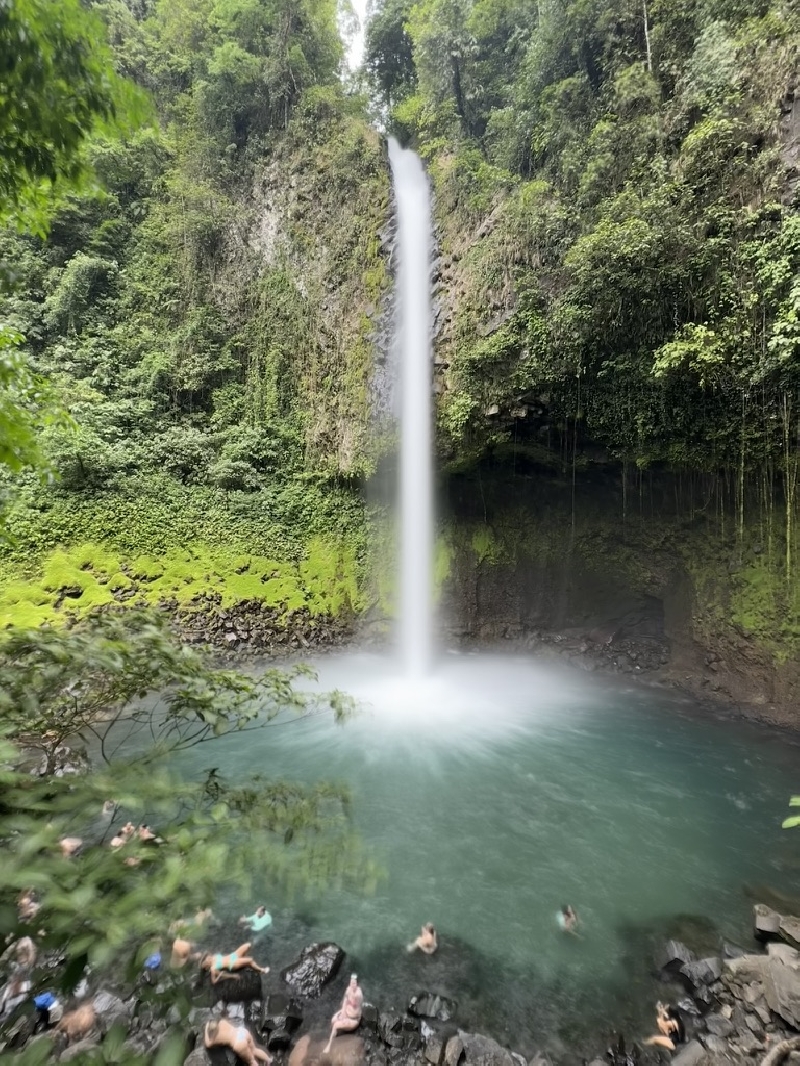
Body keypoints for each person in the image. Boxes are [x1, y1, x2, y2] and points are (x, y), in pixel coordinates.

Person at [324, 974, 363, 1053]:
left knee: (335, 1025)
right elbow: (345, 1002)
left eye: (354, 983)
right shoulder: (348, 990)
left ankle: (329, 1046)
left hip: (353, 1019)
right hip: (346, 1014)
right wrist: (341, 1012)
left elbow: (356, 1011)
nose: (352, 985)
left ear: (357, 985)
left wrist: (346, 1019)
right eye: (351, 983)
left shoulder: (358, 995)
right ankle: (335, 1035)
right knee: (333, 1020)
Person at [204, 1019, 271, 1066]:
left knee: (251, 1061)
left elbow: (207, 1044)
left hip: (239, 1042)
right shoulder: (222, 1022)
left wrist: (206, 1028)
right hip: (242, 1032)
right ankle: (269, 1060)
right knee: (254, 1050)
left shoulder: (215, 1038)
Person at [199, 943, 269, 984]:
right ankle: (261, 971)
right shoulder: (213, 968)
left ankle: (247, 963)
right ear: (207, 966)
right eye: (206, 962)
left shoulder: (213, 957)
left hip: (233, 955)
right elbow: (213, 981)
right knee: (250, 960)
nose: (207, 959)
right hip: (232, 964)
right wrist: (230, 976)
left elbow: (208, 953)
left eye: (206, 959)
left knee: (248, 945)